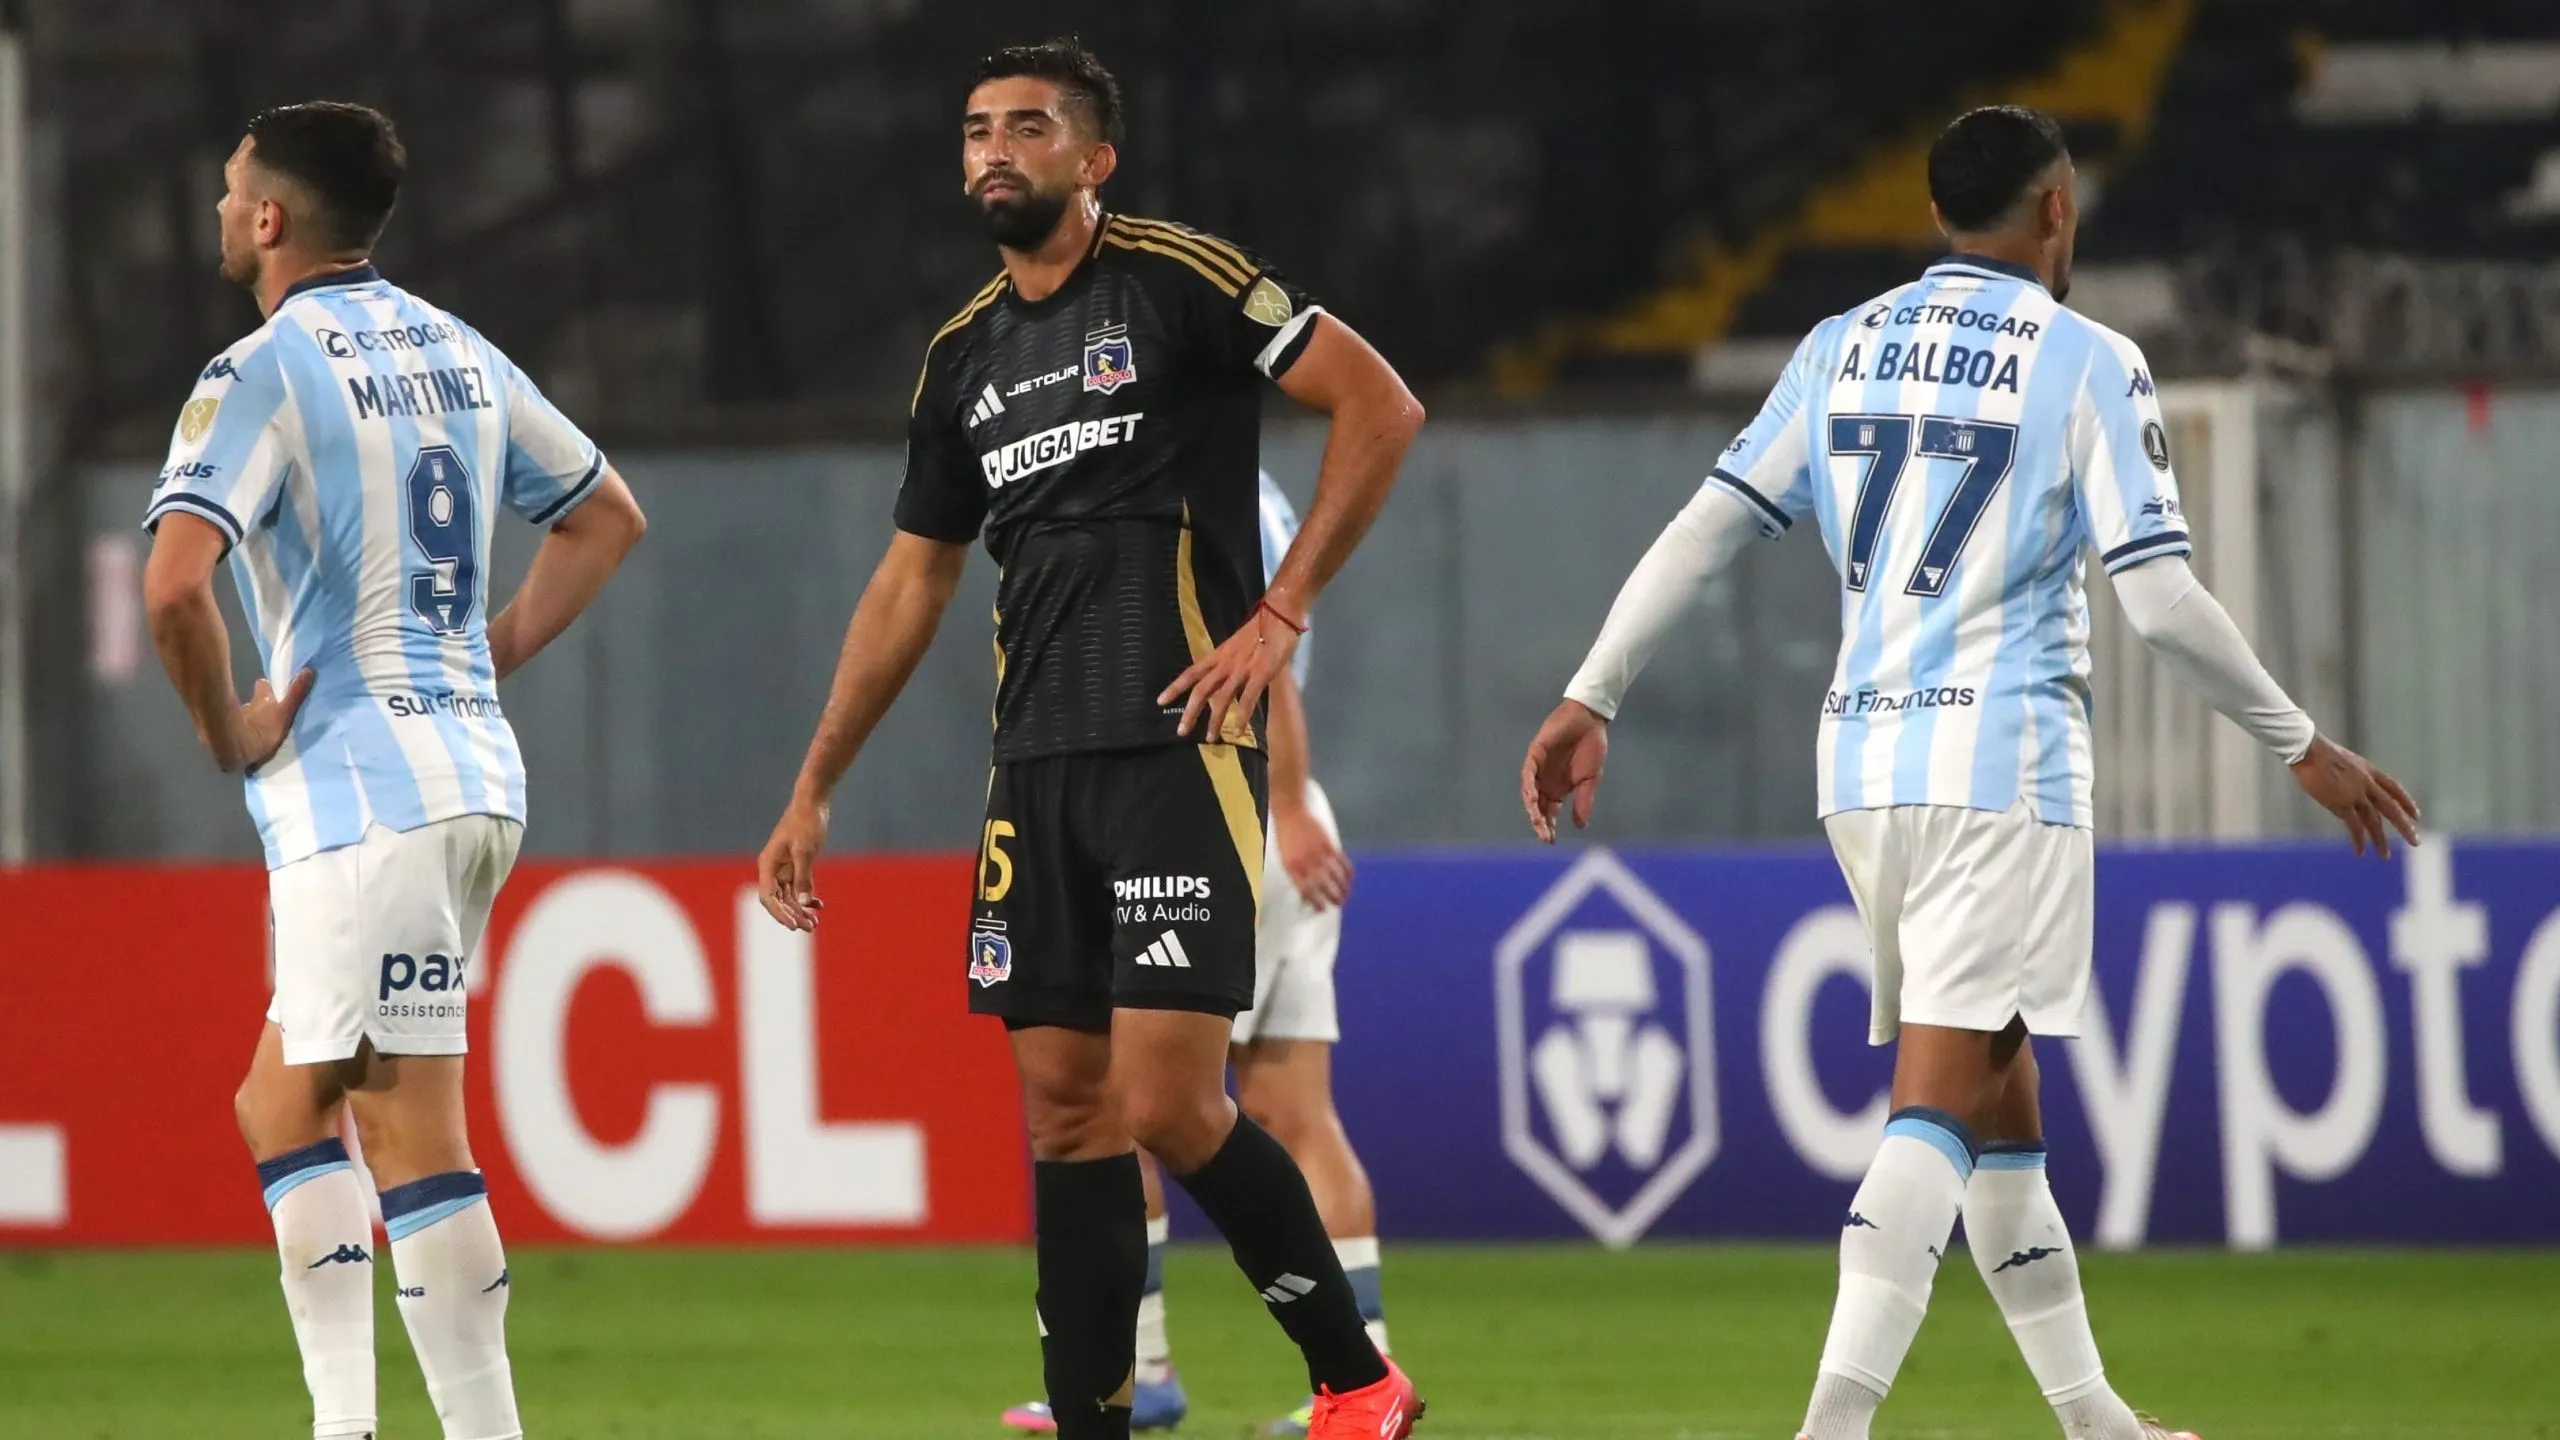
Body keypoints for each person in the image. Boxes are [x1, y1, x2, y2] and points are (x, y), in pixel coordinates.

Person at [1520, 105, 2419, 1440]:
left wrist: (1592, 692)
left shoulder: (1838, 346)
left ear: (1937, 212)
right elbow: (2159, 601)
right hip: (2000, 769)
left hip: (1862, 767)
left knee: (2002, 1110)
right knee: (1939, 1104)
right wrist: (2303, 744)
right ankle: (1830, 1429)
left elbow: (1707, 527)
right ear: (2055, 208)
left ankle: (2096, 1421)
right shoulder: (2086, 360)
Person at [754, 38, 1426, 1440]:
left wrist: (1280, 613)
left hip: (1179, 748)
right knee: (1066, 1116)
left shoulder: (1178, 279)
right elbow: (912, 580)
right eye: (975, 130)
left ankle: (1357, 1381)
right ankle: (1097, 1421)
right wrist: (814, 785)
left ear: (1093, 157)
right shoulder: (962, 357)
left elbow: (1381, 405)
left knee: (1169, 1104)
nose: (993, 151)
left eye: (1027, 127)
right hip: (1035, 771)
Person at [141, 103, 645, 1440]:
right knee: (279, 1103)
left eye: (230, 190)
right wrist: (488, 654)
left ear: (268, 219)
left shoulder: (259, 372)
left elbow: (175, 586)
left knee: (412, 1128)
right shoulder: (457, 348)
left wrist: (228, 730)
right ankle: (345, 1427)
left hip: (365, 802)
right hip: (467, 777)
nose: (220, 210)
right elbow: (606, 517)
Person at [1001, 473, 1391, 1438]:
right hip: (1240, 797)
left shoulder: (1183, 464)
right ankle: (1356, 1367)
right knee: (1277, 1109)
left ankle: (1168, 1368)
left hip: (1219, 800)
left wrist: (1286, 804)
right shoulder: (1236, 472)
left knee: (1143, 1098)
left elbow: (1259, 638)